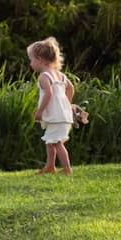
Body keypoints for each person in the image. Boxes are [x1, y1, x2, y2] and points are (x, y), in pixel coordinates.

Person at [28, 37, 76, 174]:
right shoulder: (60, 75)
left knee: (57, 142)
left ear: (39, 59)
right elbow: (71, 88)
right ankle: (50, 166)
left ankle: (67, 168)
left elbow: (48, 94)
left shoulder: (44, 77)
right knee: (50, 141)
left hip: (55, 116)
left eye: (31, 60)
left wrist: (39, 111)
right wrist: (66, 103)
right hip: (62, 114)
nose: (30, 63)